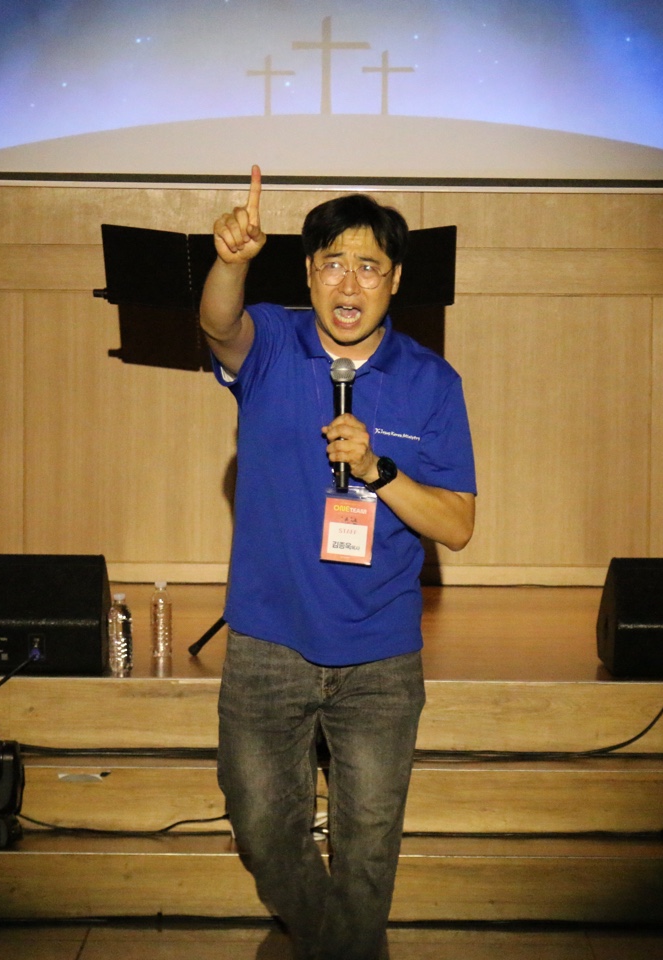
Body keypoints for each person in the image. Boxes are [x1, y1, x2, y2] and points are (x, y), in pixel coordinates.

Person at [199, 166, 477, 959]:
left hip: (379, 654)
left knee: (367, 851)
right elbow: (219, 324)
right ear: (308, 274)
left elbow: (457, 526)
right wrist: (231, 262)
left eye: (368, 267)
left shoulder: (430, 381)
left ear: (396, 280)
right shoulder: (273, 343)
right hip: (269, 642)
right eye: (332, 264)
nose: (348, 284)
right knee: (259, 823)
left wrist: (381, 471)